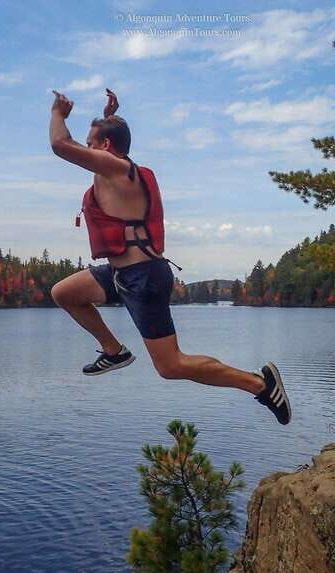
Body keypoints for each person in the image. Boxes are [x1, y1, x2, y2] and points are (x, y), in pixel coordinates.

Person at [47, 88, 292, 425]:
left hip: (143, 277)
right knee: (64, 293)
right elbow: (103, 139)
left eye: (91, 143)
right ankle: (114, 350)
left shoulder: (118, 170)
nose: (85, 149)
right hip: (120, 274)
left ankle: (260, 385)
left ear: (105, 147)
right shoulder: (115, 171)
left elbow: (61, 145)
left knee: (171, 366)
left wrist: (58, 113)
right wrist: (109, 116)